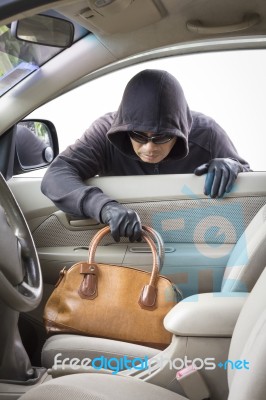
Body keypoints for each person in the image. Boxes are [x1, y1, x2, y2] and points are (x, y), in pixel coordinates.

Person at [41, 69, 250, 242]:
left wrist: (233, 166)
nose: (149, 148)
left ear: (180, 132)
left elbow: (250, 188)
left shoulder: (208, 134)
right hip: (125, 247)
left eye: (162, 137)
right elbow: (56, 175)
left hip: (195, 240)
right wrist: (104, 207)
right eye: (139, 136)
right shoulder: (105, 133)